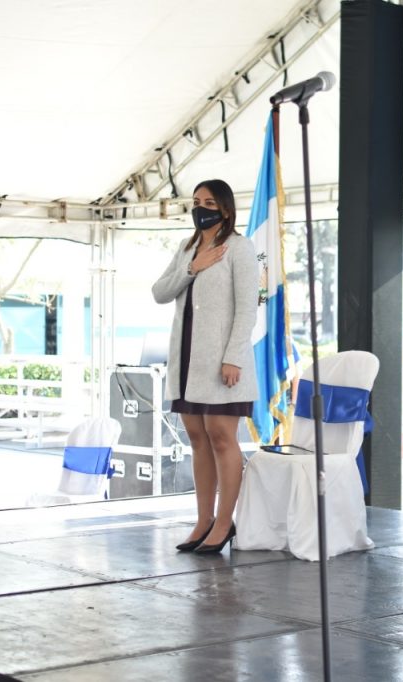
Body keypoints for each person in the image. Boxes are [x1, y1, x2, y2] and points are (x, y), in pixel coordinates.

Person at [152, 179, 258, 554]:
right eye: (196, 201)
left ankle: (225, 522)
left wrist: (233, 357)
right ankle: (203, 520)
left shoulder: (240, 248)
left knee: (221, 437)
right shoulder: (187, 248)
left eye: (209, 202)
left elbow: (247, 309)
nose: (201, 208)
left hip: (223, 362)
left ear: (225, 209)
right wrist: (192, 268)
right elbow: (160, 292)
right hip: (187, 362)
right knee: (197, 439)